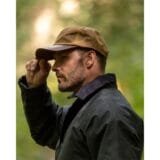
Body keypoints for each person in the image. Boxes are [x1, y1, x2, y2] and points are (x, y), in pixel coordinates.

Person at [18, 26, 143, 160]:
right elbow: (47, 129)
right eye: (55, 59)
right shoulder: (87, 108)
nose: (54, 67)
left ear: (89, 59)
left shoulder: (111, 113)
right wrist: (36, 88)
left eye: (63, 58)